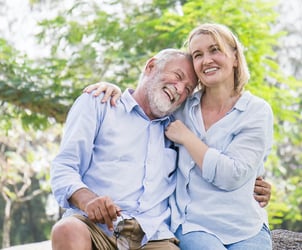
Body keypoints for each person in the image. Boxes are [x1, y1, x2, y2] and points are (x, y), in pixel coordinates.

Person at [85, 23, 274, 250]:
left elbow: (232, 175)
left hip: (246, 227)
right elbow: (144, 105)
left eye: (215, 50)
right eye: (198, 55)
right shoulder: (180, 108)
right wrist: (112, 88)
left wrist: (187, 138)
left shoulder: (256, 111)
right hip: (193, 224)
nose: (206, 60)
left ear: (235, 56)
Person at [50, 48, 198, 250]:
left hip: (152, 236)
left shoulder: (181, 129)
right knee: (66, 230)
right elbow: (64, 166)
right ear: (150, 66)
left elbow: (214, 159)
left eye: (188, 89)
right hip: (96, 228)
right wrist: (89, 201)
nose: (180, 89)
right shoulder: (100, 103)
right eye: (177, 76)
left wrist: (251, 182)